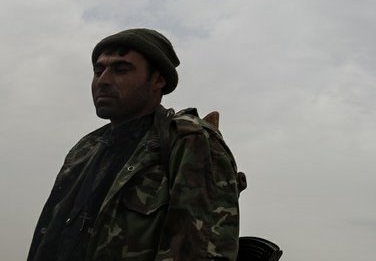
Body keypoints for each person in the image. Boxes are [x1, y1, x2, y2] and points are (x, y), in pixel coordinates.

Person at [28, 28, 240, 261]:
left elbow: (202, 252)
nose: (103, 81)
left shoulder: (190, 140)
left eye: (121, 70)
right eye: (99, 70)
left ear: (158, 80)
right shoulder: (84, 150)